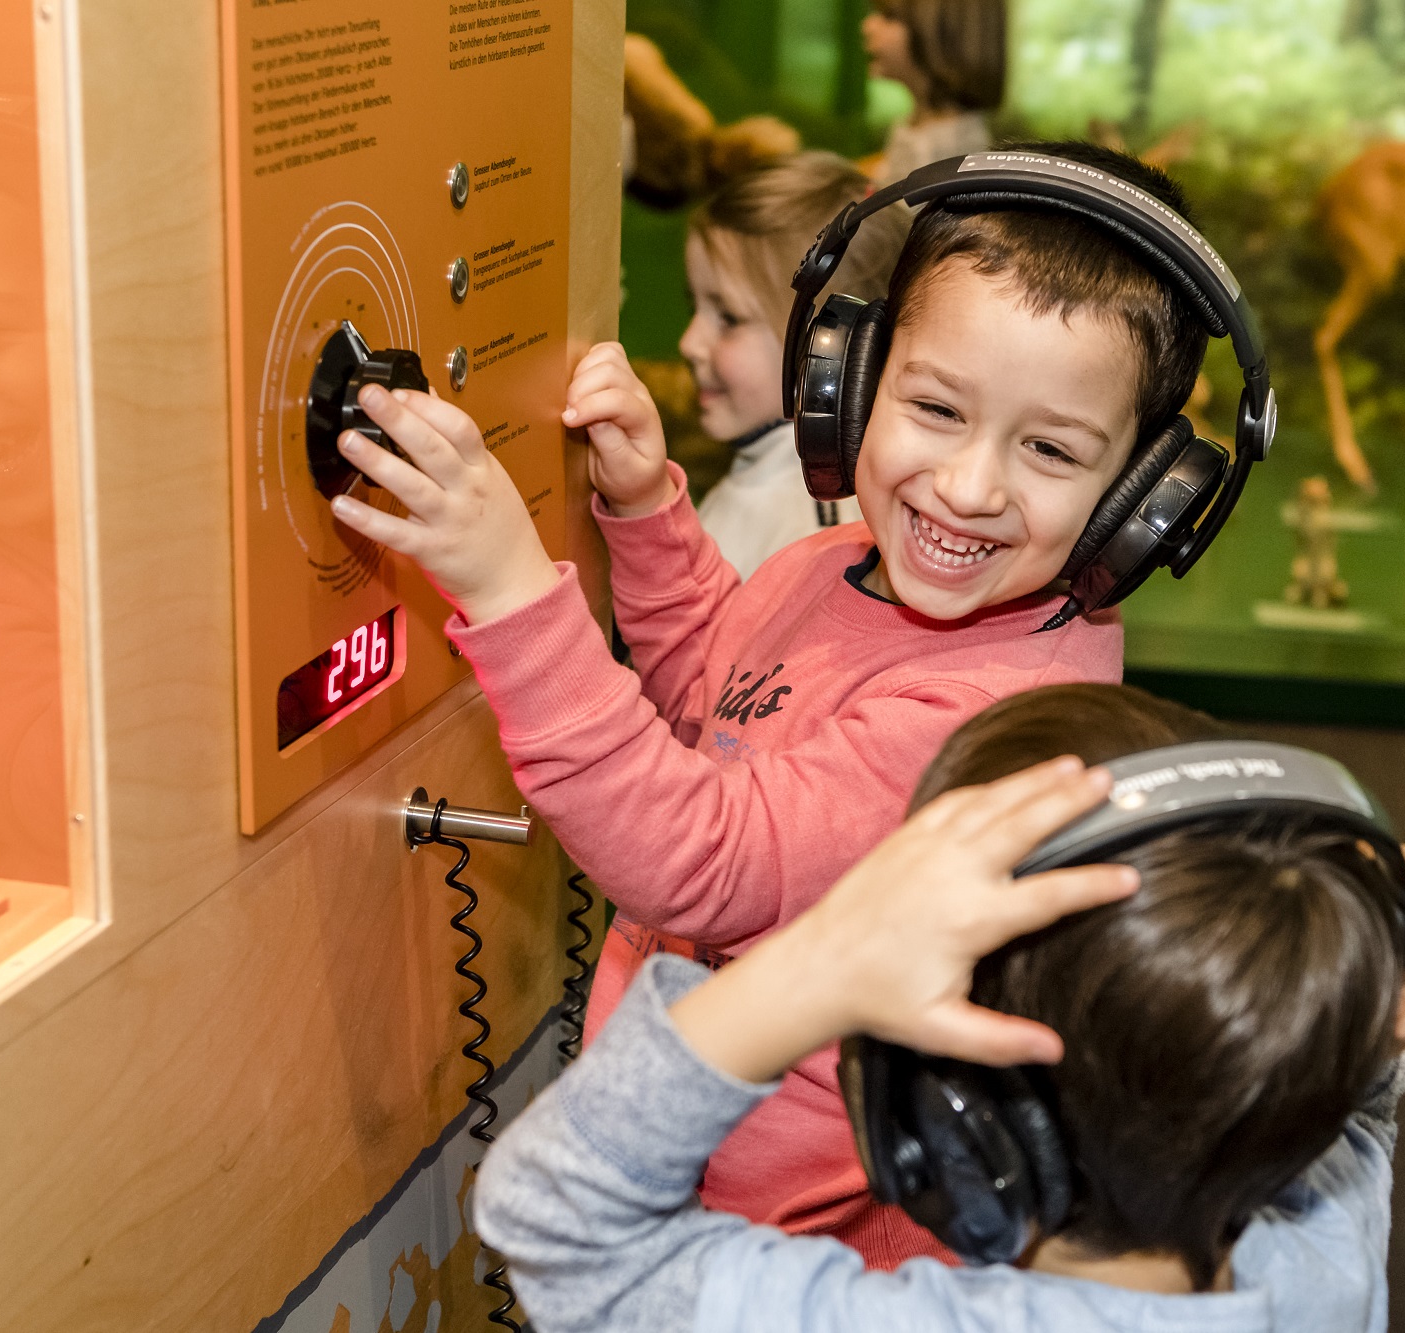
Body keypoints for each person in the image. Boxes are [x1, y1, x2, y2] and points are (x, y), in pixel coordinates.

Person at [326, 141, 1253, 1264]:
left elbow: (702, 860)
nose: (968, 487)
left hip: (769, 1252)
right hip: (687, 1159)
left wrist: (512, 592)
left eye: (1050, 449)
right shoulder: (837, 562)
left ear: (1144, 502)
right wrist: (646, 513)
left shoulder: (998, 721)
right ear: (849, 380)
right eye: (936, 407)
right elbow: (721, 698)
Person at [472, 682, 1405, 1332]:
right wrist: (1363, 992)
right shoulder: (1323, 1255)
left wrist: (828, 953)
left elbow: (560, 1221)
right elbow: (1354, 1112)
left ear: (948, 1117)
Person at [680, 153, 905, 578]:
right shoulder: (765, 483)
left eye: (729, 318)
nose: (688, 343)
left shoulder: (807, 535)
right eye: (694, 306)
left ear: (835, 350)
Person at [861, 0, 1005, 185]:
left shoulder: (946, 151)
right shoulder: (922, 127)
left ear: (944, 33)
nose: (868, 26)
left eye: (889, 17)